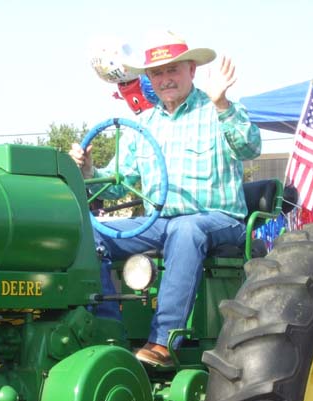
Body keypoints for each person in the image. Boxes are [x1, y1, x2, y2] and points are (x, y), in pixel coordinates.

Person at [69, 30, 261, 367]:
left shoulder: (216, 110)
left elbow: (250, 146)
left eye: (173, 70)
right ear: (149, 79)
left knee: (185, 230)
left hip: (220, 219)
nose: (165, 79)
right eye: (157, 73)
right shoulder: (145, 124)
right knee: (91, 230)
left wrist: (222, 103)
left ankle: (163, 341)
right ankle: (110, 331)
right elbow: (117, 184)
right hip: (160, 223)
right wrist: (86, 170)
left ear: (191, 70)